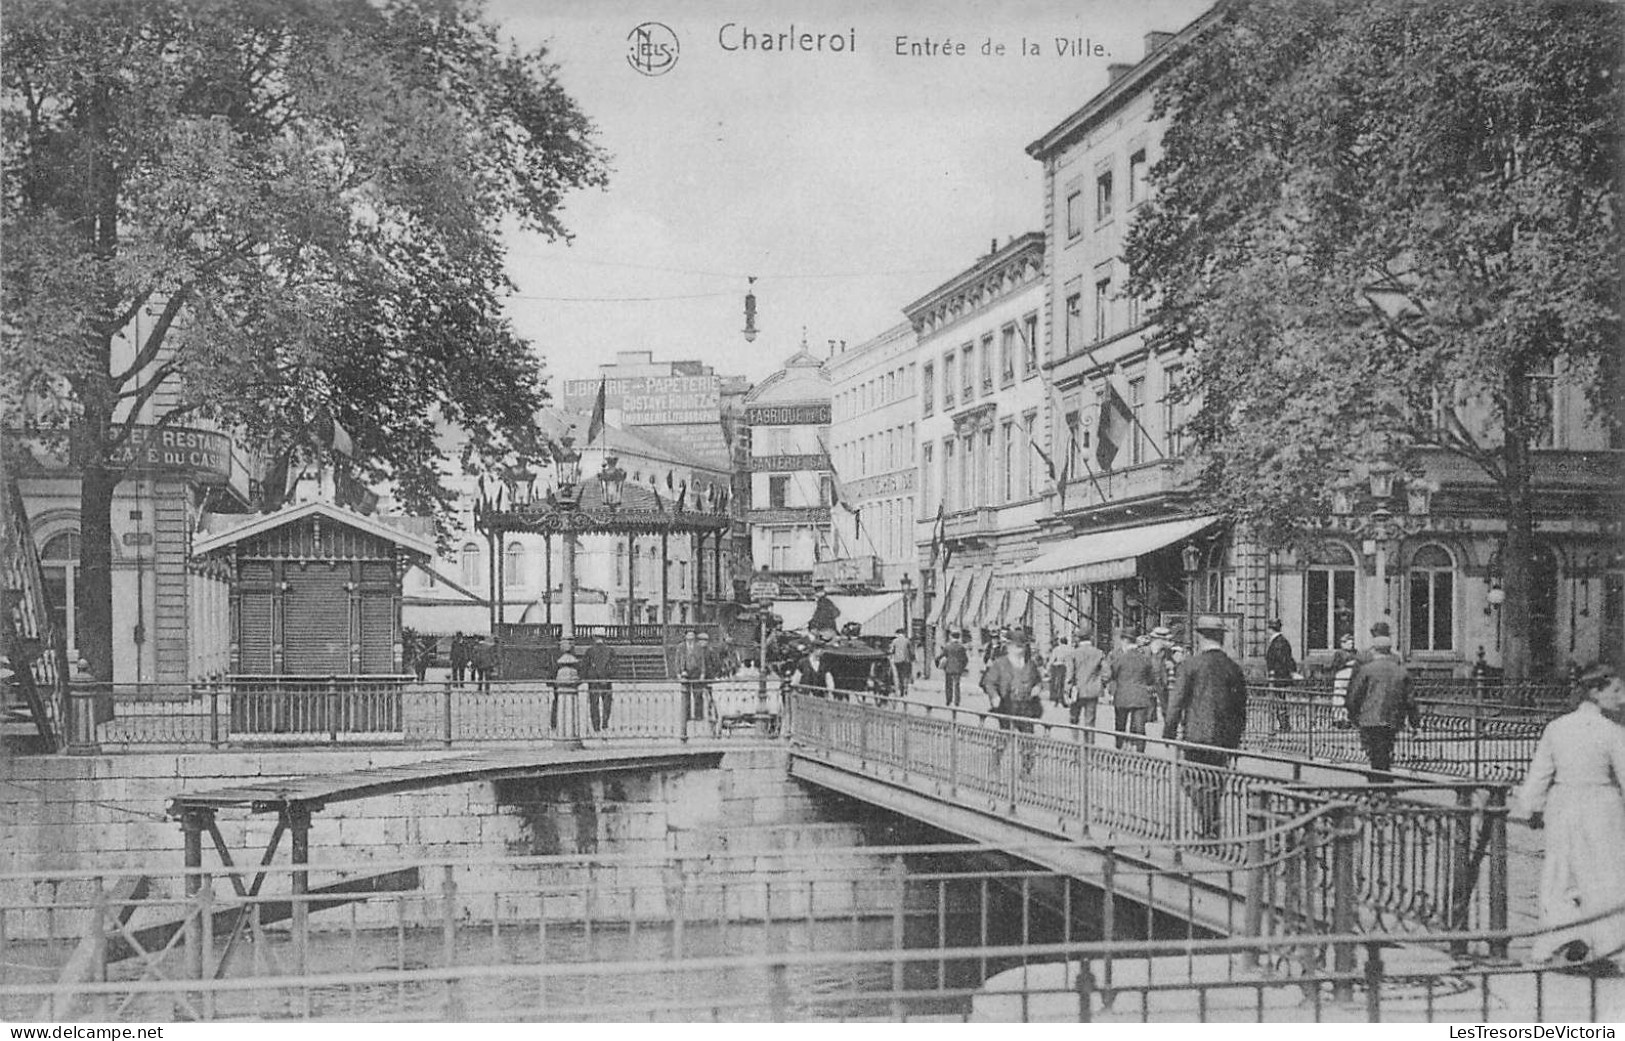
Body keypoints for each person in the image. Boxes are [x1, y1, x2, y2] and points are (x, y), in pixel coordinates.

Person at [1516, 664, 1625, 974]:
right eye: (1616, 691)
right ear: (1595, 692)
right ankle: (1608, 944)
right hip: (1602, 807)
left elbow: (1540, 772)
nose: (1623, 698)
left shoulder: (1557, 727)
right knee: (1605, 873)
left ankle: (1562, 937)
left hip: (1562, 803)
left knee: (1562, 873)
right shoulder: (1613, 732)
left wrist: (1532, 808)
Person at [1165, 616, 1249, 838]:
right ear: (1222, 637)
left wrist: (1169, 732)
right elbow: (1241, 707)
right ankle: (1210, 823)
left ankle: (1210, 823)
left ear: (1199, 636)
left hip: (1196, 735)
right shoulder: (1233, 668)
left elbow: (1176, 702)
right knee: (1215, 781)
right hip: (1224, 738)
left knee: (1190, 779)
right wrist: (1237, 739)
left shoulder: (1190, 665)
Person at [1343, 629, 1416, 779]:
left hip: (1369, 718)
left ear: (1375, 651)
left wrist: (1353, 716)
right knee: (1385, 748)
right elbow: (1410, 700)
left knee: (1374, 752)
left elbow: (1353, 696)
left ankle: (1378, 784)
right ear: (1389, 652)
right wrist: (1415, 722)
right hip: (1392, 719)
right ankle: (1382, 782)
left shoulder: (1366, 670)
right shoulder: (1401, 671)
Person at [980, 630, 1045, 772]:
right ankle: (994, 766)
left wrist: (1037, 688)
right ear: (1009, 647)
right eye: (1017, 647)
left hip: (1026, 707)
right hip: (1007, 705)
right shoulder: (1000, 664)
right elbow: (989, 682)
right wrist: (994, 696)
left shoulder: (1030, 665)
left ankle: (1026, 770)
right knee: (1003, 737)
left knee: (1028, 740)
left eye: (1022, 647)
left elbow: (1038, 681)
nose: (1019, 650)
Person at [1107, 628, 1164, 752]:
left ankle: (1119, 751)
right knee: (1139, 728)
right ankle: (1140, 755)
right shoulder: (1145, 659)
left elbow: (1112, 675)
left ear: (1125, 641)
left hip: (1122, 696)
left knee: (1120, 726)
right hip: (1140, 696)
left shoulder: (1119, 659)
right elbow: (1152, 678)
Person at [1067, 628, 1106, 731]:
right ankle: (1089, 746)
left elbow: (1069, 675)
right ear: (1091, 638)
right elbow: (1107, 673)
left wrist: (1068, 689)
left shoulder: (1073, 654)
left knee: (1074, 719)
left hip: (1077, 691)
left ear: (1078, 639)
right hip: (1093, 691)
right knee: (1090, 722)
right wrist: (1100, 683)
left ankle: (1075, 744)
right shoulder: (1099, 653)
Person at [1264, 618, 1298, 732]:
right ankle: (1283, 725)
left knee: (1279, 701)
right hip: (1280, 676)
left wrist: (1273, 674)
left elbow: (1280, 660)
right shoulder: (1281, 641)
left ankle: (1284, 725)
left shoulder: (1278, 642)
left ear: (1270, 629)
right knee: (1279, 701)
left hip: (1278, 677)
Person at [582, 635, 617, 733]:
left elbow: (584, 666)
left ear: (594, 639)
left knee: (594, 703)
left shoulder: (589, 651)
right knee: (607, 703)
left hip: (594, 681)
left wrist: (586, 677)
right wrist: (608, 675)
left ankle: (596, 726)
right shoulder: (610, 650)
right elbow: (615, 666)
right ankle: (605, 723)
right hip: (606, 680)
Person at [678, 630, 710, 723]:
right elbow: (677, 660)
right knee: (686, 695)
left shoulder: (698, 647)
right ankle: (686, 715)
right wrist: (678, 673)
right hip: (685, 673)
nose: (691, 637)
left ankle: (698, 715)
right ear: (686, 637)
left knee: (698, 694)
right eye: (689, 635)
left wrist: (703, 673)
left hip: (696, 672)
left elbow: (702, 661)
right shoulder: (681, 647)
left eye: (692, 635)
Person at [1329, 633, 1360, 725]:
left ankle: (1348, 718)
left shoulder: (1356, 653)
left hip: (1352, 677)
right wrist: (1346, 664)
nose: (1351, 645)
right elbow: (1335, 666)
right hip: (1342, 677)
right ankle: (1339, 718)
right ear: (1343, 644)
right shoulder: (1339, 653)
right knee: (1339, 697)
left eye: (1352, 643)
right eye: (1349, 643)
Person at [937, 630, 969, 708]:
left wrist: (939, 663)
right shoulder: (961, 647)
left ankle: (948, 700)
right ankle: (957, 702)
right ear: (958, 638)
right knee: (957, 685)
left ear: (951, 637)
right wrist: (962, 667)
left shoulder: (947, 646)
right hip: (958, 669)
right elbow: (965, 659)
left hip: (948, 668)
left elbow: (941, 656)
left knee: (948, 685)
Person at [889, 627, 914, 700]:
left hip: (897, 661)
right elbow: (911, 651)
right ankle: (905, 688)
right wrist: (912, 658)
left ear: (898, 634)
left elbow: (891, 651)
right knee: (906, 675)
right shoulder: (907, 641)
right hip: (906, 660)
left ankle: (901, 690)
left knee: (899, 675)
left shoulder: (894, 641)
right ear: (903, 633)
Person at [1048, 636, 1071, 706]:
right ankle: (1061, 698)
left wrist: (1048, 667)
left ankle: (1055, 698)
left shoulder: (1056, 649)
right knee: (1062, 683)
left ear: (1060, 642)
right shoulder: (1069, 649)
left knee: (1055, 682)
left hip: (1056, 666)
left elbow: (1052, 659)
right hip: (1064, 666)